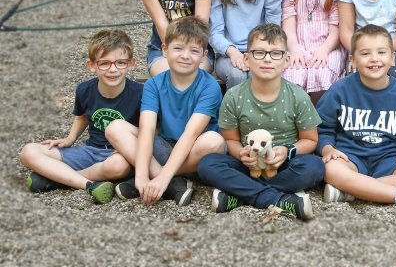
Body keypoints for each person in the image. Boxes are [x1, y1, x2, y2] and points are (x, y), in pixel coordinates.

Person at [198, 24, 324, 220]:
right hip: (249, 166)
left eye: (276, 53)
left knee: (314, 167)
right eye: (259, 53)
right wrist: (241, 153)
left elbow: (310, 140)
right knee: (208, 164)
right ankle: (280, 199)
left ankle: (241, 196)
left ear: (286, 60)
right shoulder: (234, 96)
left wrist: (287, 151)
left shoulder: (297, 96)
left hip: (283, 164)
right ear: (247, 58)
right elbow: (230, 140)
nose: (267, 59)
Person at [106, 17, 225, 206]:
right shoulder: (154, 84)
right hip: (164, 148)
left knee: (214, 142)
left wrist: (161, 178)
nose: (185, 56)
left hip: (195, 154)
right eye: (178, 48)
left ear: (203, 55)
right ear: (164, 50)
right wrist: (141, 175)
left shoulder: (209, 87)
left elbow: (191, 134)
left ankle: (163, 179)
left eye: (194, 51)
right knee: (115, 127)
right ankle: (172, 183)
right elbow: (146, 129)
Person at [315, 25, 396, 214]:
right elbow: (322, 128)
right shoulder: (340, 90)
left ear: (392, 58)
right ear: (352, 60)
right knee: (329, 168)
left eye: (381, 52)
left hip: (388, 158)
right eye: (365, 53)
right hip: (350, 157)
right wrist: (327, 148)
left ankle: (352, 191)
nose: (374, 59)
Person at [20, 30, 143, 204]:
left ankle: (57, 179)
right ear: (92, 65)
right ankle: (88, 183)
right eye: (104, 63)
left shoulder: (140, 93)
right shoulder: (84, 90)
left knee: (118, 166)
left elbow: (151, 128)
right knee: (29, 152)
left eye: (121, 63)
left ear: (131, 63)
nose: (113, 69)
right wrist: (69, 139)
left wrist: (127, 146)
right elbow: (82, 117)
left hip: (119, 155)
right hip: (90, 151)